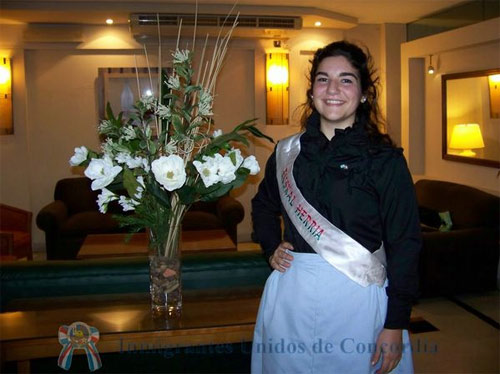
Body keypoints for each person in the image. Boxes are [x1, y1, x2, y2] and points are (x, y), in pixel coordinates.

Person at [250, 40, 421, 374]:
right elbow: (262, 205)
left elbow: (406, 244)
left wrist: (396, 323)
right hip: (292, 297)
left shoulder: (384, 161)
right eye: (323, 79)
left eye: (346, 79)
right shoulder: (287, 154)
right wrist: (271, 246)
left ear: (364, 93)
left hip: (358, 298)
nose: (333, 89)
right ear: (311, 90)